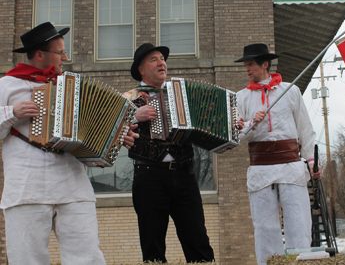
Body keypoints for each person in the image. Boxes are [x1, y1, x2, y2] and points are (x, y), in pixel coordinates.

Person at [0, 22, 138, 264]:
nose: (66, 57)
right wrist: (12, 112)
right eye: (60, 52)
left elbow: (91, 134)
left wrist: (116, 139)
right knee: (27, 259)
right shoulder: (7, 85)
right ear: (40, 54)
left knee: (88, 257)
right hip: (27, 188)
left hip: (73, 186)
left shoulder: (72, 88)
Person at [123, 43, 215, 264]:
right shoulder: (128, 97)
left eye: (162, 58)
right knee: (152, 244)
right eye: (154, 59)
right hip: (149, 176)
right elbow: (106, 128)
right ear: (141, 70)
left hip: (185, 175)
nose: (161, 62)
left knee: (198, 240)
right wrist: (135, 116)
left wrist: (231, 124)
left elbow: (209, 121)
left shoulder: (181, 96)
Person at [234, 43, 322, 264]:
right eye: (245, 64)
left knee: (298, 224)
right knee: (265, 228)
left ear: (265, 64)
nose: (247, 68)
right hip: (260, 170)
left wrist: (312, 161)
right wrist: (252, 124)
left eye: (251, 64)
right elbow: (235, 137)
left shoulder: (290, 91)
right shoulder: (240, 98)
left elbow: (305, 129)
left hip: (291, 167)